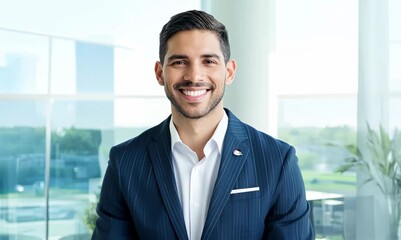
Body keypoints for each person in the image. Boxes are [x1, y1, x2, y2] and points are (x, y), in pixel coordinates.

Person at [92, 10, 314, 240]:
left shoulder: (277, 160)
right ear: (160, 73)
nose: (194, 75)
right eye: (179, 62)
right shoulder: (125, 162)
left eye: (208, 61)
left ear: (229, 72)